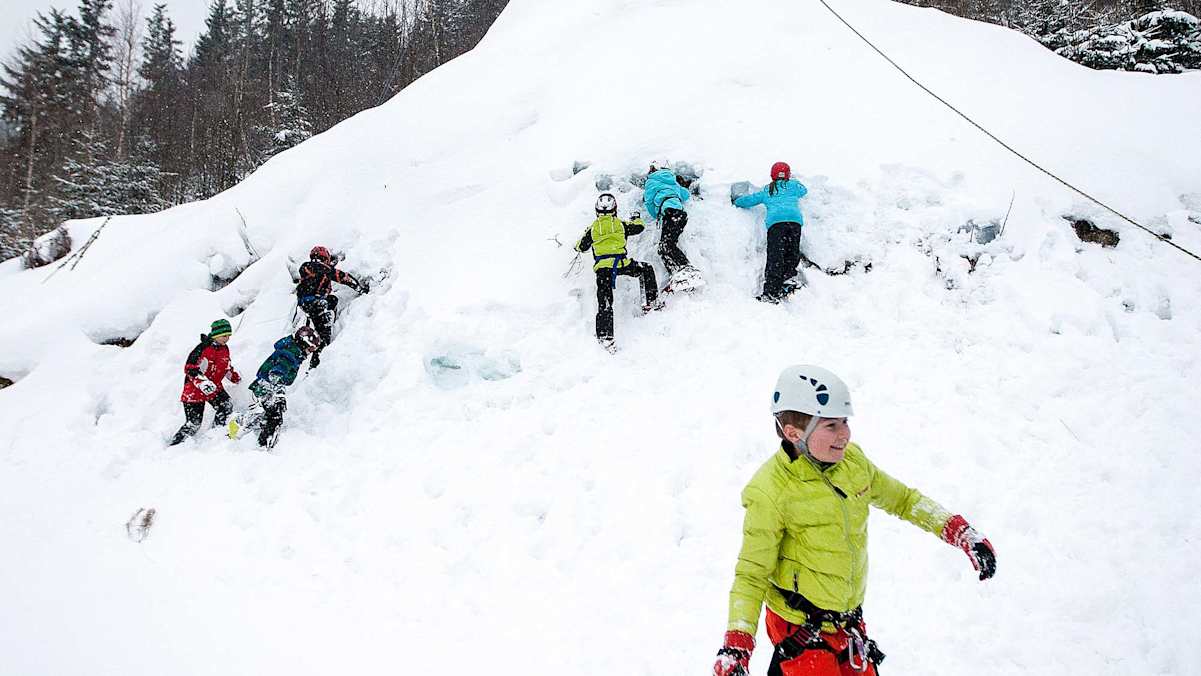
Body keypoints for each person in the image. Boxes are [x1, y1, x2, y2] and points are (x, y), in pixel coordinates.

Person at [713, 365, 996, 676]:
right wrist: (736, 645)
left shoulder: (853, 463)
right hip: (800, 629)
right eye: (831, 426)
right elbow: (752, 575)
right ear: (794, 433)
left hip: (848, 625)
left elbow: (904, 500)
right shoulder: (770, 491)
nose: (844, 434)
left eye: (845, 422)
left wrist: (959, 531)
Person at [575, 192, 662, 351]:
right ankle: (650, 301)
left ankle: (605, 336)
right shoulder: (621, 224)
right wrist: (636, 217)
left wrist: (580, 243)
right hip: (621, 263)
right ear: (615, 209)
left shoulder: (593, 228)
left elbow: (581, 247)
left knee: (606, 301)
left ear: (597, 211)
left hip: (603, 269)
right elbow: (639, 227)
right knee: (645, 269)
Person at [733, 162, 809, 303]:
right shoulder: (793, 186)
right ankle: (789, 278)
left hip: (777, 225)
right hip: (794, 223)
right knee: (792, 251)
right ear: (788, 174)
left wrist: (737, 201)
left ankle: (771, 291)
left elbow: (750, 200)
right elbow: (804, 191)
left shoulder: (769, 190)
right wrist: (795, 181)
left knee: (776, 256)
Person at [241, 326, 322, 449]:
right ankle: (261, 446)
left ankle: (245, 422)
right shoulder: (289, 354)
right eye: (311, 348)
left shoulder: (294, 352)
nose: (311, 352)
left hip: (267, 386)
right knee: (275, 416)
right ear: (303, 343)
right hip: (266, 387)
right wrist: (279, 394)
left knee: (271, 414)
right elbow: (275, 374)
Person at [169, 319, 241, 445]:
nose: (227, 338)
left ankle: (216, 436)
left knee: (226, 406)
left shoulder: (225, 349)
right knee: (194, 424)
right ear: (216, 335)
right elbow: (190, 368)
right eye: (224, 336)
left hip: (214, 388)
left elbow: (226, 367)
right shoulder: (202, 348)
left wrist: (235, 378)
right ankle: (174, 445)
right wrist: (202, 382)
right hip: (194, 390)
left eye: (229, 336)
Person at [296, 246, 369, 367]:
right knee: (331, 302)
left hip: (310, 306)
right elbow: (341, 276)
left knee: (322, 337)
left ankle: (314, 365)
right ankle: (316, 364)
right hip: (316, 304)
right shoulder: (318, 267)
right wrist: (360, 288)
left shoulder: (309, 270)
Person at [642, 161, 698, 287]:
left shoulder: (651, 182)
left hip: (669, 214)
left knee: (665, 246)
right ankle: (678, 274)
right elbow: (686, 195)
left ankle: (686, 269)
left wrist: (657, 214)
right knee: (665, 247)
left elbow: (649, 204)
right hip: (680, 215)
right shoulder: (673, 181)